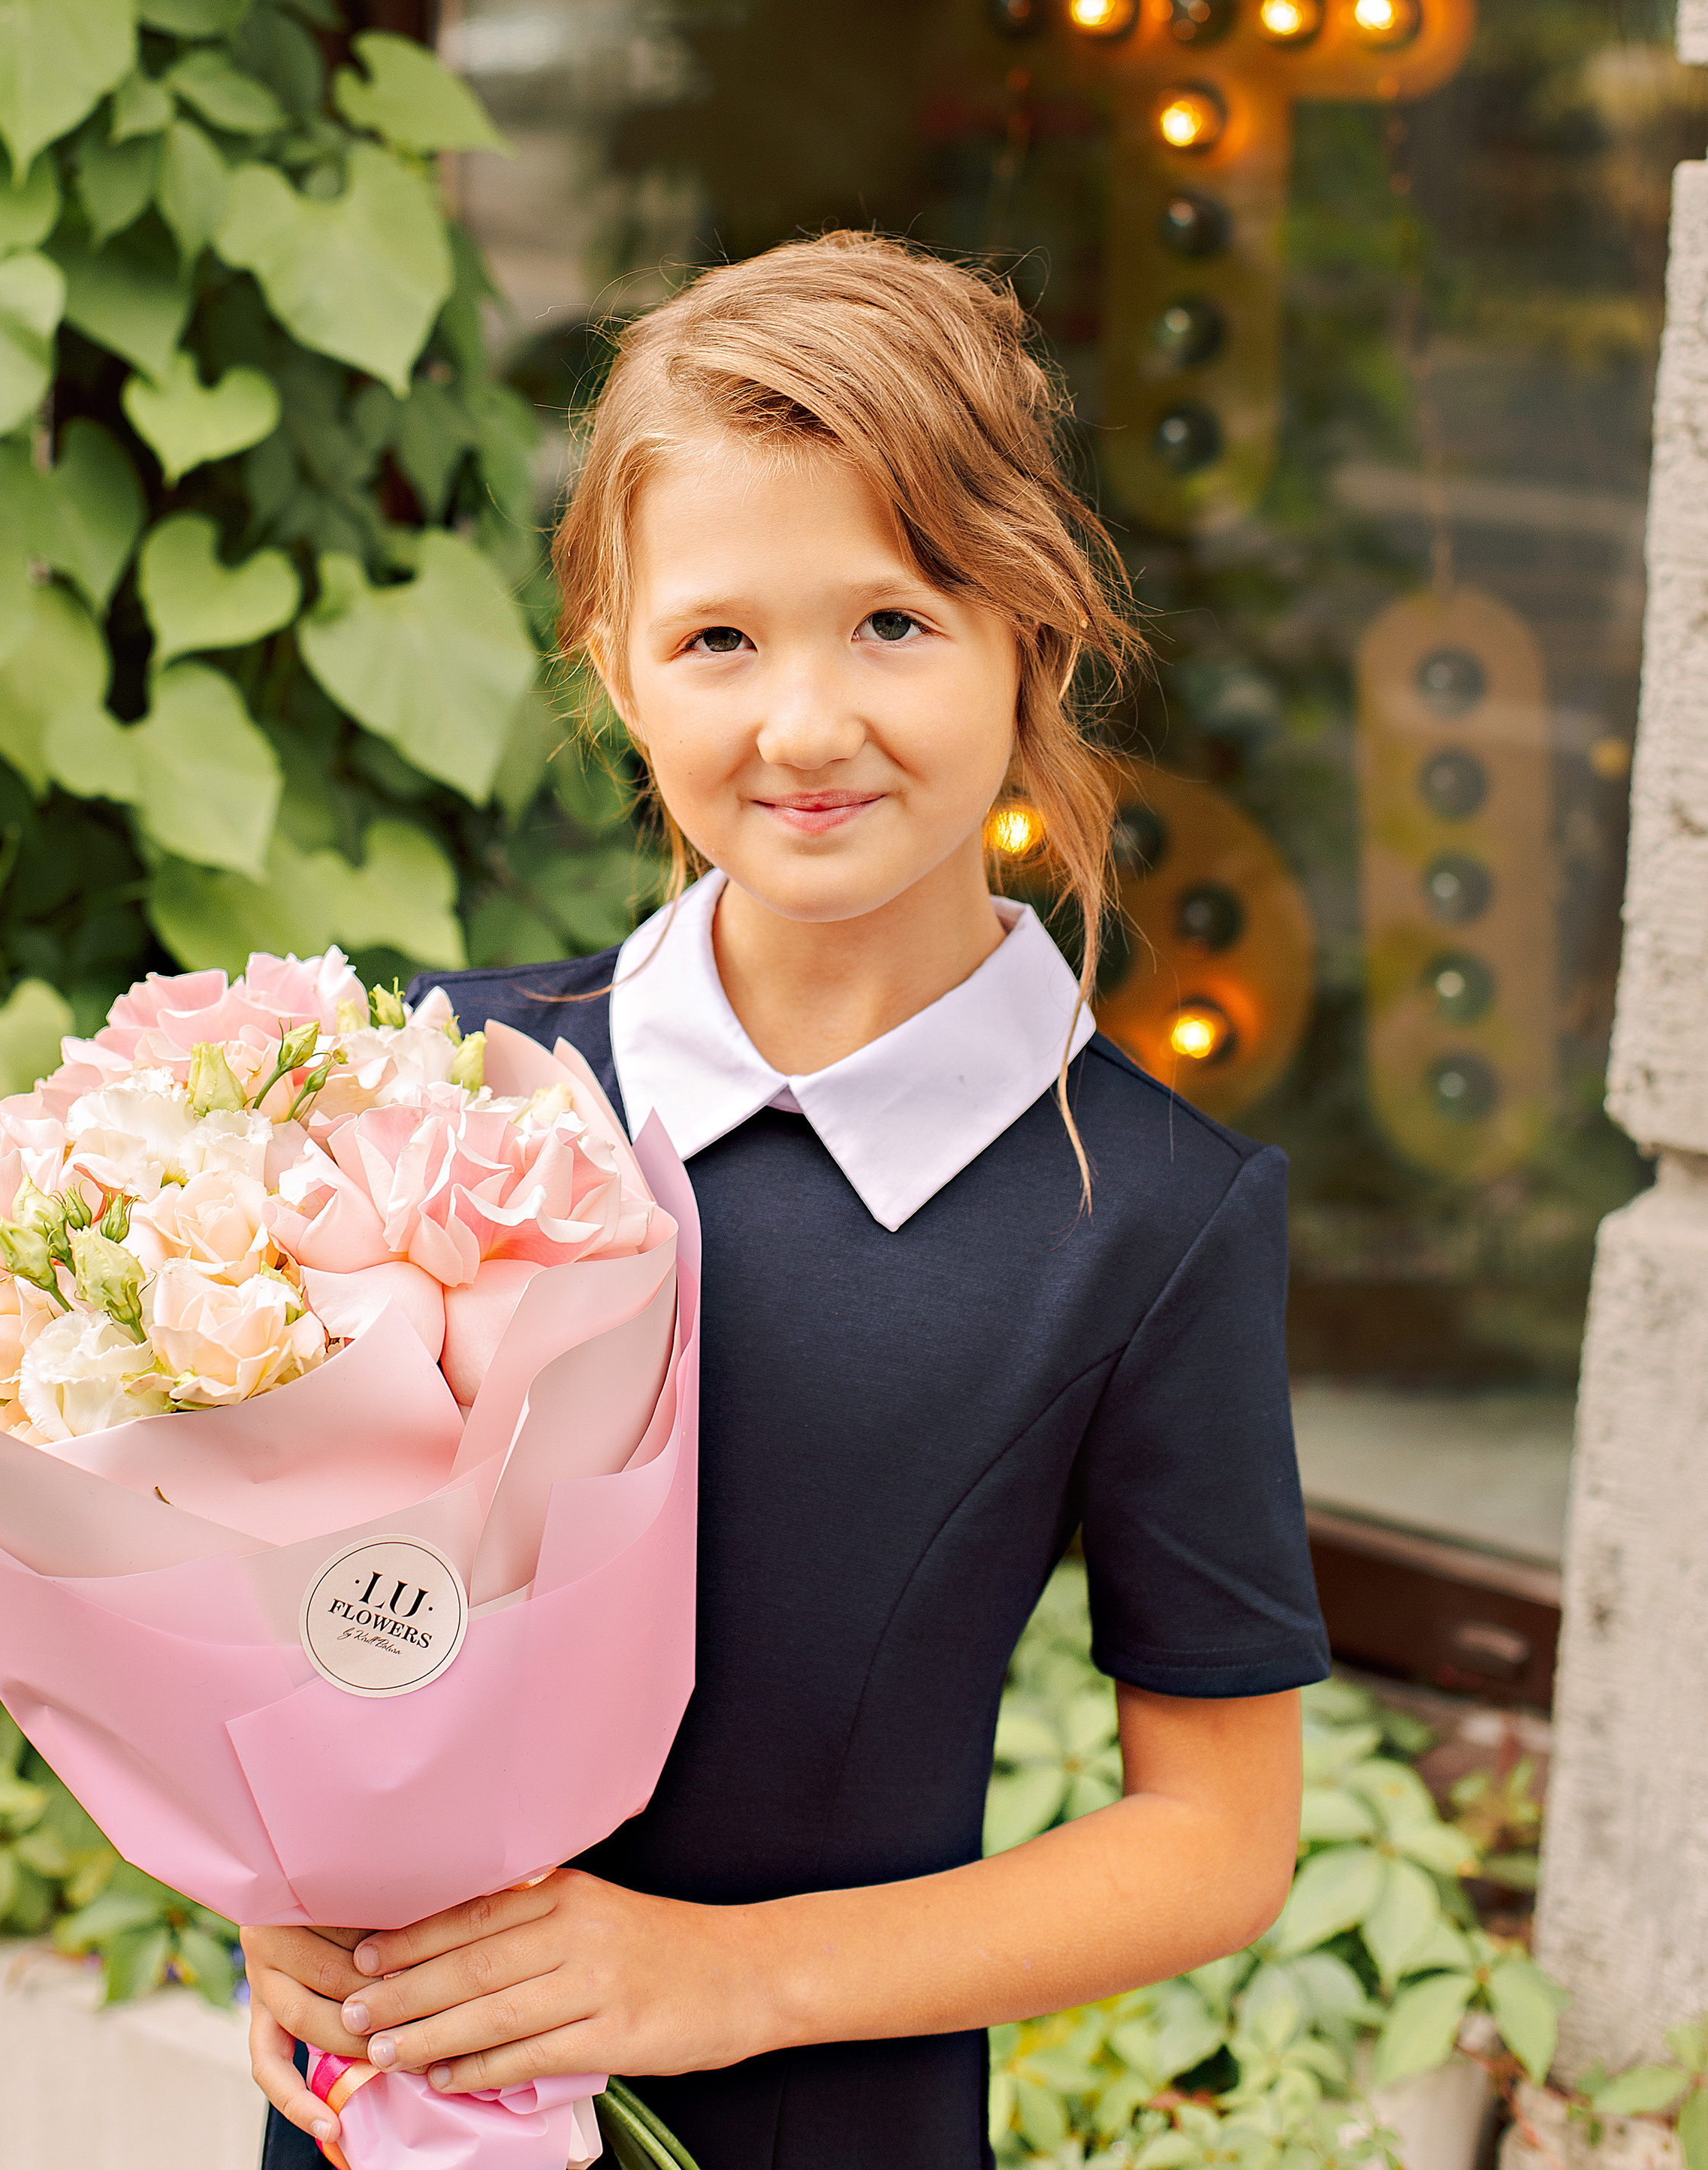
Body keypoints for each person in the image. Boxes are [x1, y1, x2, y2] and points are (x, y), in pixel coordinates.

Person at [246, 233, 1328, 2170]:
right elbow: (282, 1614)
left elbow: (1219, 1841)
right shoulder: (445, 1083)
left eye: (895, 624)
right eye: (719, 640)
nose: (805, 724)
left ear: (1034, 642)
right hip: (392, 2113)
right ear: (615, 670)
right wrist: (282, 1912)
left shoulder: (1151, 1217)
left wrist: (721, 1981)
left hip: (824, 2127)